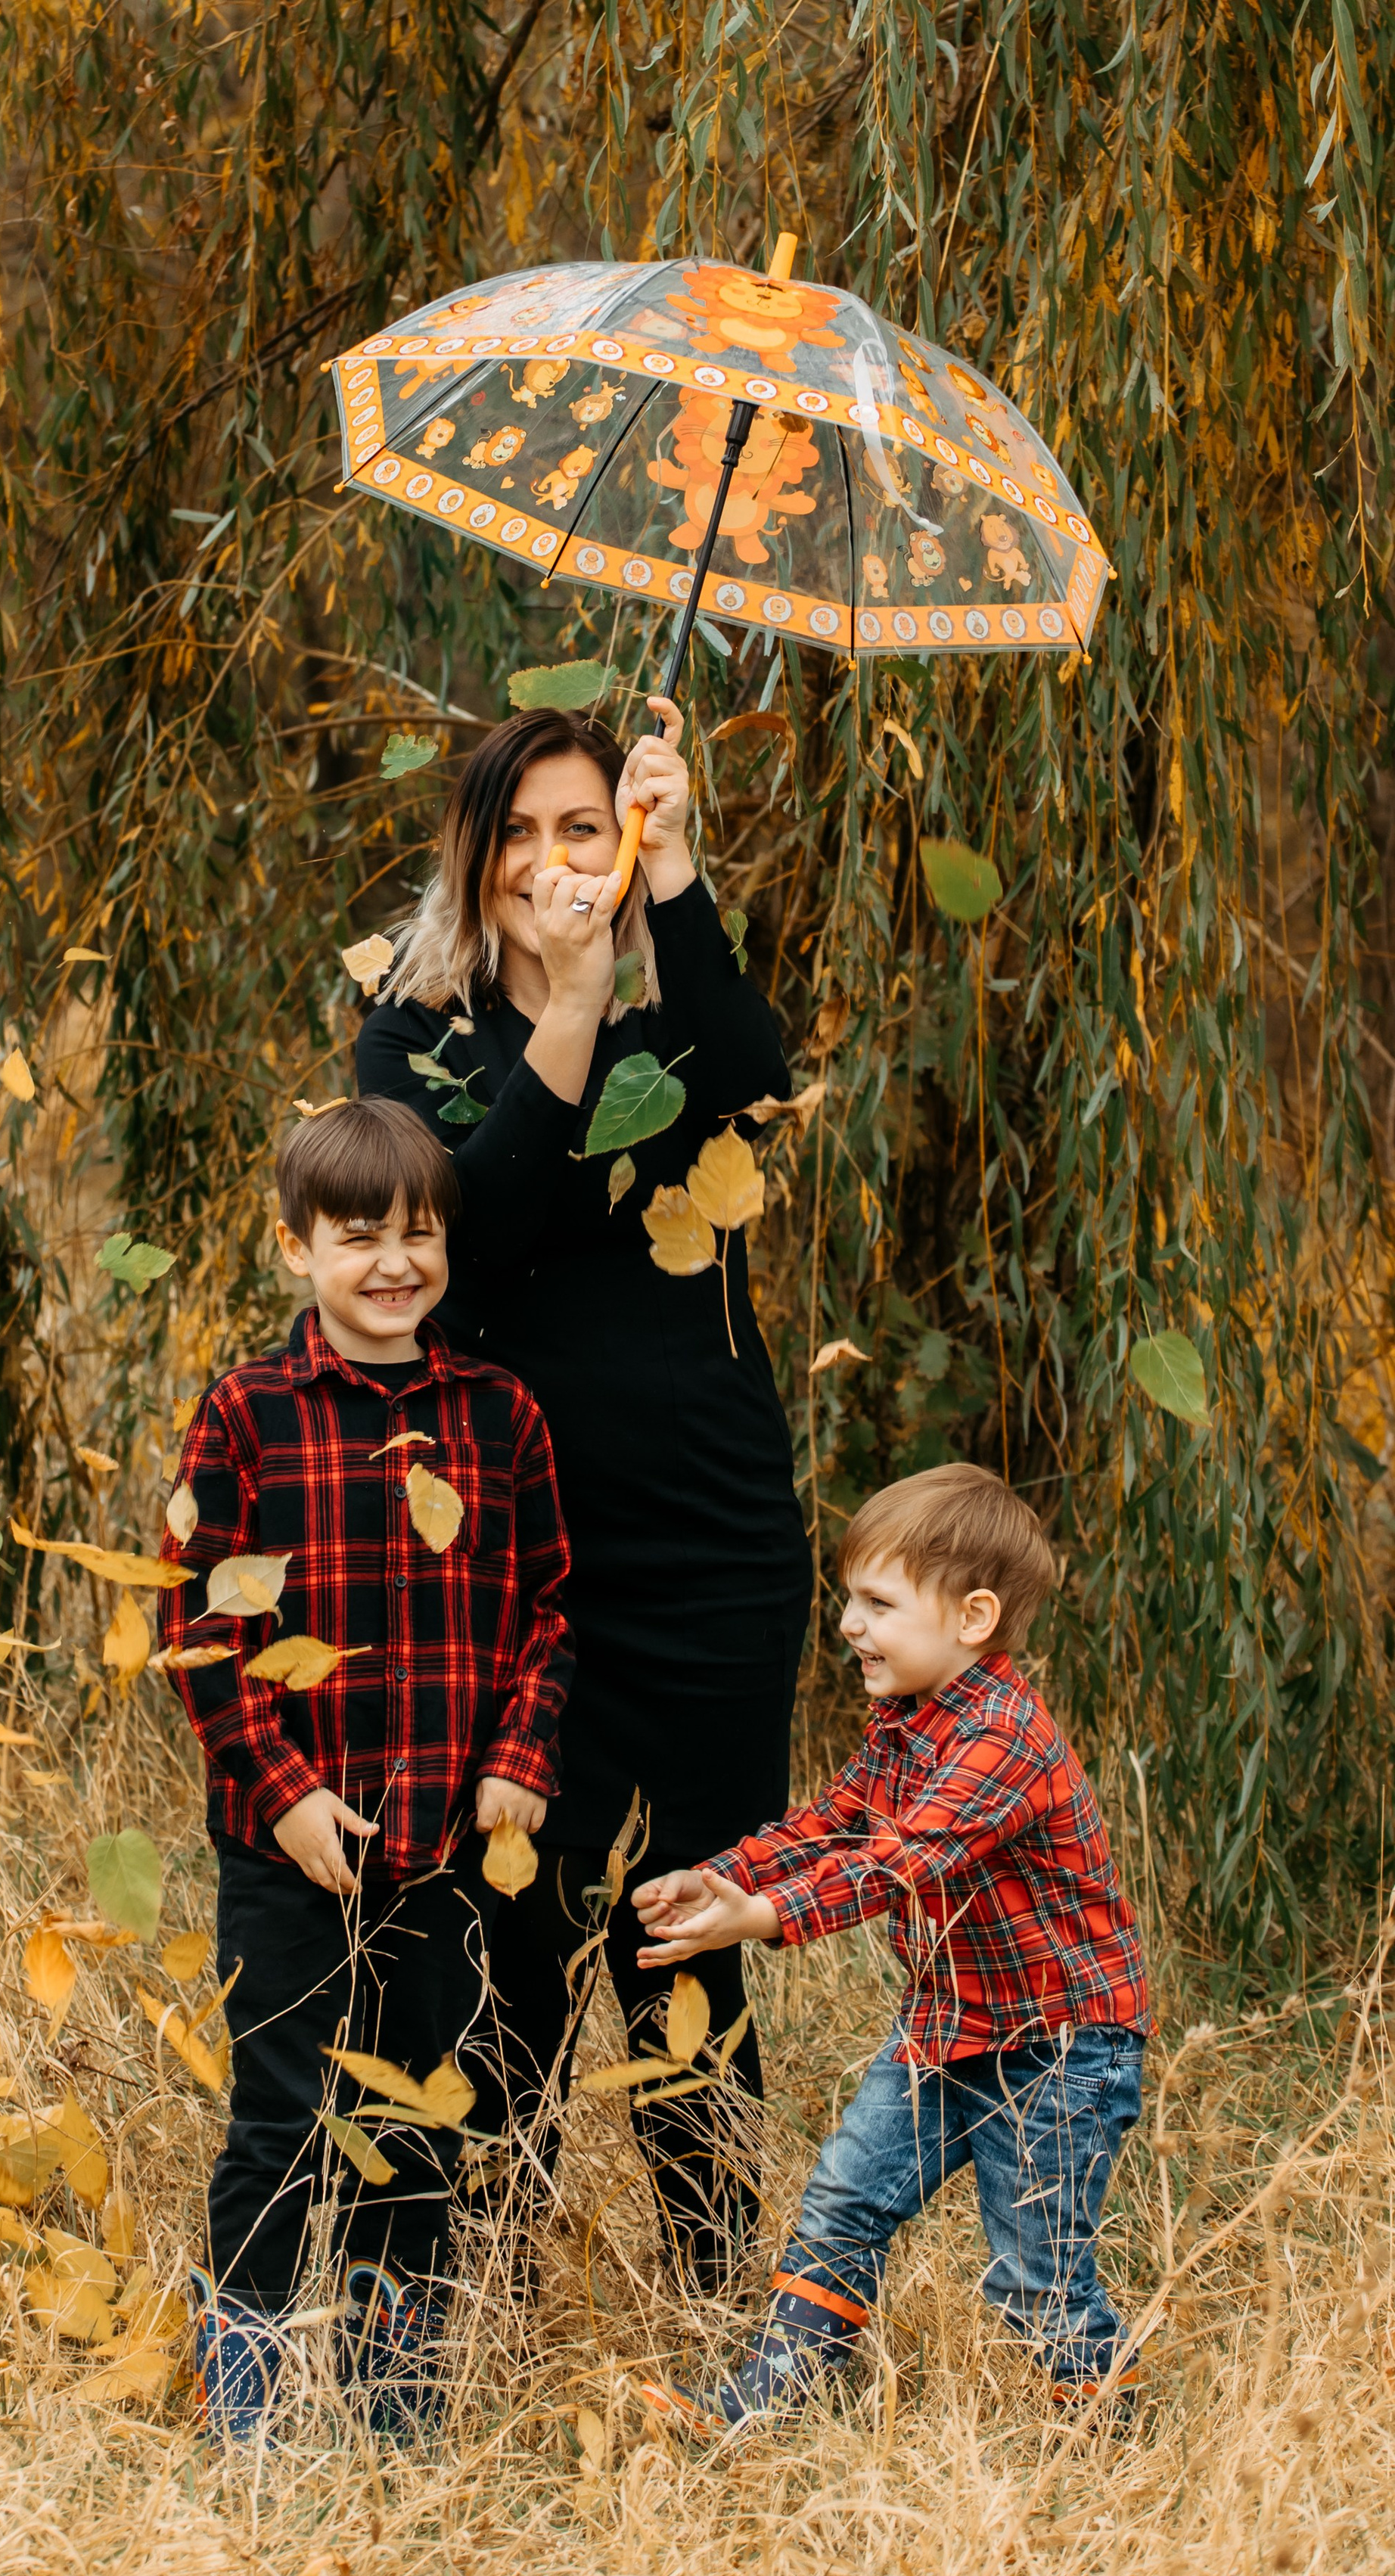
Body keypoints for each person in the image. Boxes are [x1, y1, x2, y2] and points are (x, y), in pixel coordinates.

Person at [356, 695, 811, 2296]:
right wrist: (563, 1009)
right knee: (515, 1930)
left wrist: (676, 878)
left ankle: (710, 2296)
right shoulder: (407, 1033)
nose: (556, 861)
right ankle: (478, 2291)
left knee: (688, 1920)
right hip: (520, 1565)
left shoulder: (672, 1013)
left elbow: (757, 1070)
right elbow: (464, 1244)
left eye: (587, 828)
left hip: (708, 1538)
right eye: (524, 834)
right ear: (476, 861)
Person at [159, 1096, 572, 2438]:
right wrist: (280, 1793)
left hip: (443, 1846)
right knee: (283, 2119)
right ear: (296, 1251)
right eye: (358, 1238)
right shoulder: (246, 1414)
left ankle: (396, 2398)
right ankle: (253, 2395)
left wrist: (518, 1754)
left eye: (418, 1235)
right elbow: (199, 1628)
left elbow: (552, 1610)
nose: (394, 1264)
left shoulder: (499, 1417)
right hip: (292, 1849)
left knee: (414, 2119)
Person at [629, 1463, 1149, 2432]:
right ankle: (775, 2393)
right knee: (843, 2199)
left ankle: (1105, 2427)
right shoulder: (907, 1721)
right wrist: (731, 1875)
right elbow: (839, 1822)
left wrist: (764, 1920)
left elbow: (898, 1864)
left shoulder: (1004, 1740)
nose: (846, 1626)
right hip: (949, 2023)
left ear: (973, 1616)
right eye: (846, 1600)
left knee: (1035, 2271)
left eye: (876, 1603)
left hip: (1060, 2047)